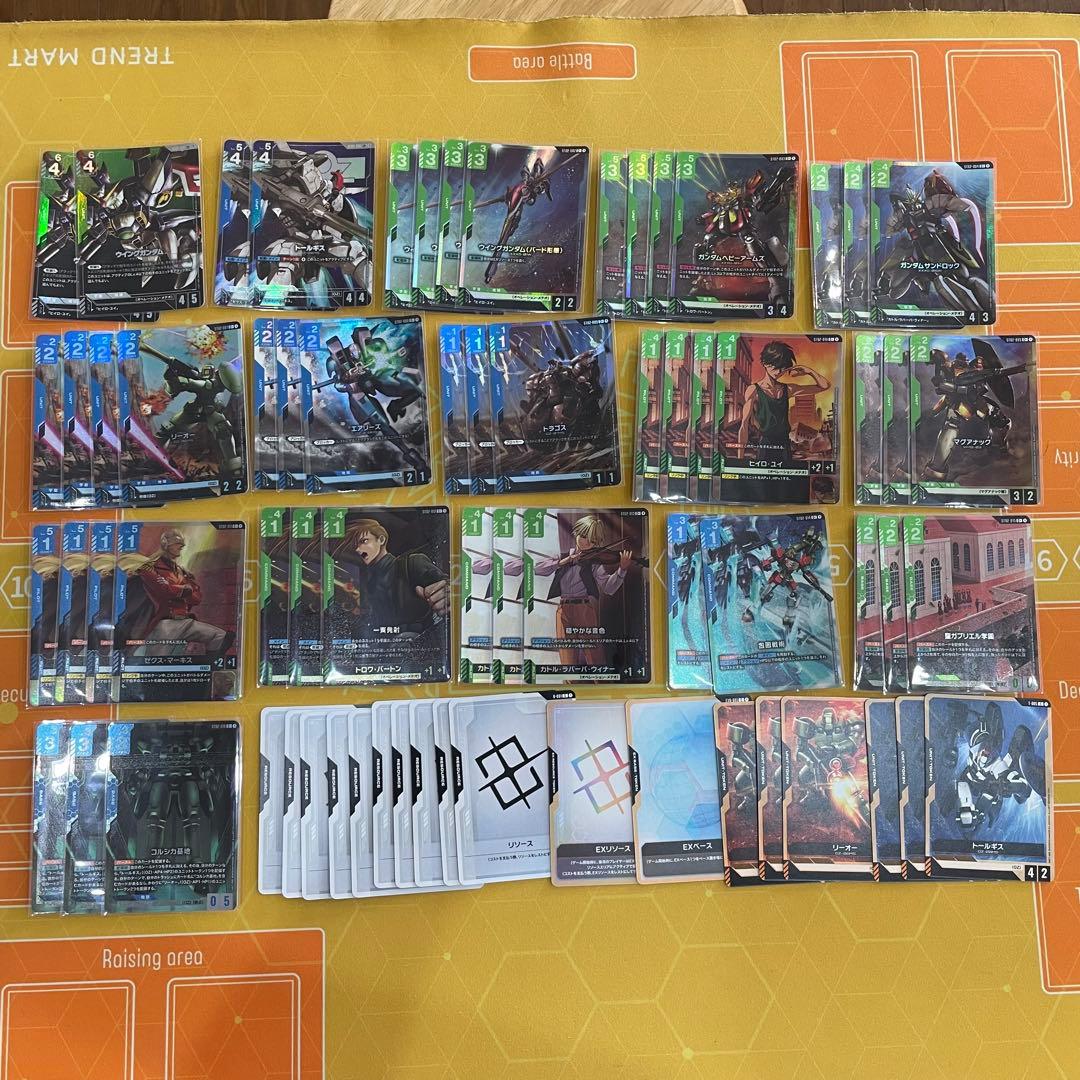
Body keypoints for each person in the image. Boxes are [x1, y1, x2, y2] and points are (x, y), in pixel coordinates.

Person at [534, 514, 633, 666]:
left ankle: (599, 680)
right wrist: (564, 562)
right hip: (562, 609)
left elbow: (608, 587)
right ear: (576, 533)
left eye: (592, 541)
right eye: (584, 536)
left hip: (584, 609)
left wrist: (622, 570)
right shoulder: (562, 557)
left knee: (595, 657)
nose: (586, 543)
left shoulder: (594, 563)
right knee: (566, 658)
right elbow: (538, 569)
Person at [341, 517, 448, 632]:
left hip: (424, 636)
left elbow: (447, 588)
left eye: (364, 541)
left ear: (381, 539)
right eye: (355, 546)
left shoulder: (412, 563)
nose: (358, 549)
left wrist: (446, 595)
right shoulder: (368, 584)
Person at [140, 529, 231, 658]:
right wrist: (184, 589)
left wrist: (179, 589)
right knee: (157, 661)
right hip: (165, 622)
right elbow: (164, 591)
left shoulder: (181, 571)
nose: (181, 546)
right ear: (166, 544)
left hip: (185, 621)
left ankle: (209, 666)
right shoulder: (149, 568)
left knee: (220, 636)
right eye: (177, 543)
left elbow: (196, 598)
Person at [737, 340, 831, 457]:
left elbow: (824, 386)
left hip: (784, 445)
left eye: (783, 368)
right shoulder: (753, 390)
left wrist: (809, 371)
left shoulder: (788, 389)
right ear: (765, 363)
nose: (779, 372)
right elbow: (744, 426)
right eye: (775, 366)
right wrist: (739, 459)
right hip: (765, 445)